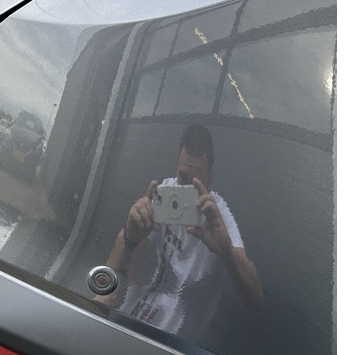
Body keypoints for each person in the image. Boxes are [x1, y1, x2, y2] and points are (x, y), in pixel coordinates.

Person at [97, 124, 263, 340]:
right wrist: (131, 239)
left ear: (210, 180)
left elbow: (254, 298)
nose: (184, 190)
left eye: (195, 183)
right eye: (182, 177)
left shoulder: (218, 215)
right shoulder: (166, 194)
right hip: (142, 308)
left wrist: (226, 254)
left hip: (181, 335)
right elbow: (123, 253)